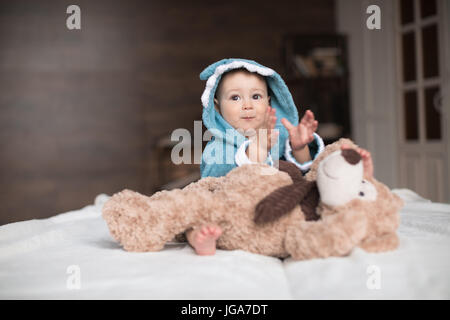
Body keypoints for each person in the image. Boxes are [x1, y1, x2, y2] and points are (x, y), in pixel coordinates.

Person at [186, 58, 373, 255]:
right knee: (193, 209)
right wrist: (257, 149)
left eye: (256, 96)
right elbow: (216, 185)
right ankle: (202, 239)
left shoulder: (279, 136)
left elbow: (302, 176)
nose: (247, 105)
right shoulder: (218, 147)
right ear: (217, 107)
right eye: (235, 98)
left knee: (319, 193)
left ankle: (356, 194)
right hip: (235, 216)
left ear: (269, 101)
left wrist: (299, 147)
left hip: (278, 211)